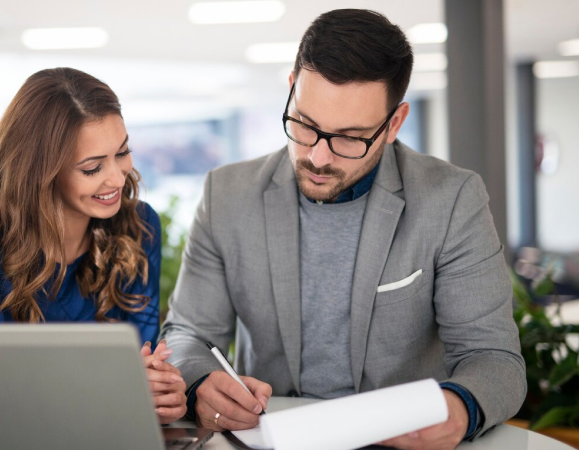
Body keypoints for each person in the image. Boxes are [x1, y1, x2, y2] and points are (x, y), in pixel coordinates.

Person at [160, 8, 526, 450]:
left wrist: (459, 406)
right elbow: (186, 334)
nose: (318, 157)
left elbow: (495, 359)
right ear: (292, 88)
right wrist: (200, 382)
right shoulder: (227, 195)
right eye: (305, 126)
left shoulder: (452, 199)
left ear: (394, 123)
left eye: (350, 137)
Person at [0, 67, 187, 424]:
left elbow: (138, 367)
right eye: (91, 168)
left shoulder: (139, 227)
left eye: (122, 152)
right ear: (41, 171)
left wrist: (160, 393)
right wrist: (114, 390)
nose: (117, 178)